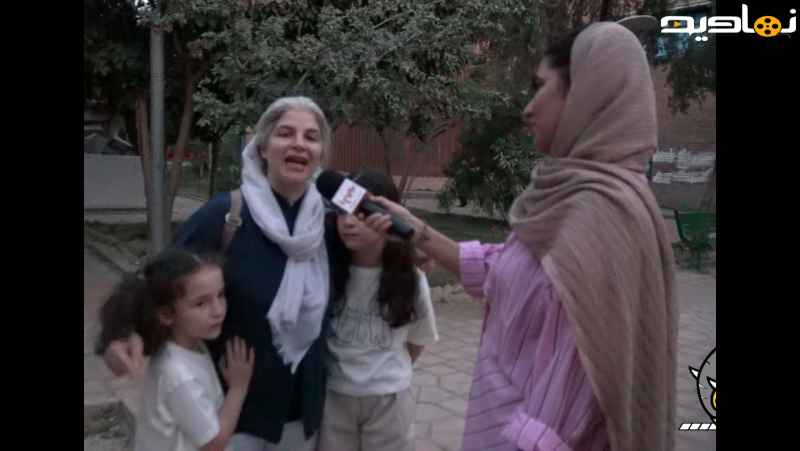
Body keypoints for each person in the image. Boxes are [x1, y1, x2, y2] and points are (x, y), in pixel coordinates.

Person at [363, 22, 677, 451]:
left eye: (540, 87)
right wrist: (416, 229)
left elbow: (560, 418)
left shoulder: (600, 215)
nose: (527, 110)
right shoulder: (570, 200)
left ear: (584, 96)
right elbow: (505, 270)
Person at [99, 96, 335, 451]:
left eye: (311, 137)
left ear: (320, 154)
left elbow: (371, 272)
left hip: (302, 413)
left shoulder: (328, 225)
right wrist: (120, 332)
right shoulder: (228, 214)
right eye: (286, 133)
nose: (299, 144)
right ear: (263, 147)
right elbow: (158, 278)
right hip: (232, 415)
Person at [318, 170, 439, 451]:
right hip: (334, 396)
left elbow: (417, 341)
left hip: (389, 400)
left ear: (390, 217)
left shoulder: (411, 279)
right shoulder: (326, 271)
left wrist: (383, 374)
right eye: (342, 211)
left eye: (362, 212)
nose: (349, 221)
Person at [95, 248, 254, 451]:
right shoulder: (178, 376)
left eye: (221, 295)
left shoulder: (191, 344)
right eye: (201, 303)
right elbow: (213, 443)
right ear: (166, 314)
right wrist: (238, 388)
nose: (218, 310)